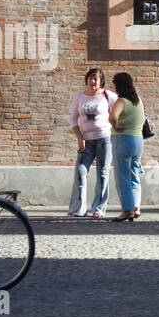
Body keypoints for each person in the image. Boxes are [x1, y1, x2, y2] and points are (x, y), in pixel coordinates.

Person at [67, 67, 117, 219]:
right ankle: (78, 209)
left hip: (104, 139)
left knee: (102, 173)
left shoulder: (109, 96)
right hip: (86, 141)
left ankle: (98, 209)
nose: (93, 81)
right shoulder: (79, 97)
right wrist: (79, 137)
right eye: (90, 78)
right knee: (81, 172)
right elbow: (73, 120)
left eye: (96, 78)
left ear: (101, 81)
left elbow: (122, 106)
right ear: (87, 79)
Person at [109, 71, 146, 223]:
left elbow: (112, 117)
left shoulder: (121, 101)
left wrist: (116, 127)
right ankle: (136, 207)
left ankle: (127, 210)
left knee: (122, 176)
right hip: (138, 140)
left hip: (123, 140)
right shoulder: (137, 100)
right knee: (133, 175)